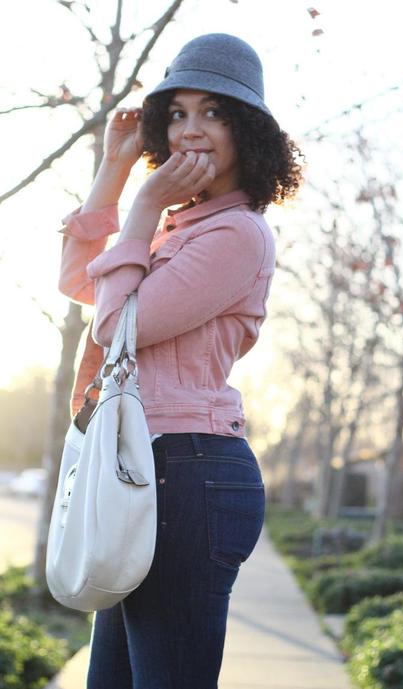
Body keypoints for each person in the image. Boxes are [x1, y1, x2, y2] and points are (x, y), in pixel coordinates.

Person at [58, 33, 303, 689]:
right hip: (145, 465)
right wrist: (115, 171)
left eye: (214, 112)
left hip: (191, 478)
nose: (192, 129)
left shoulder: (237, 234)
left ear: (246, 128)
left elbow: (114, 325)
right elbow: (81, 280)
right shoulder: (182, 226)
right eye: (179, 112)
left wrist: (141, 206)